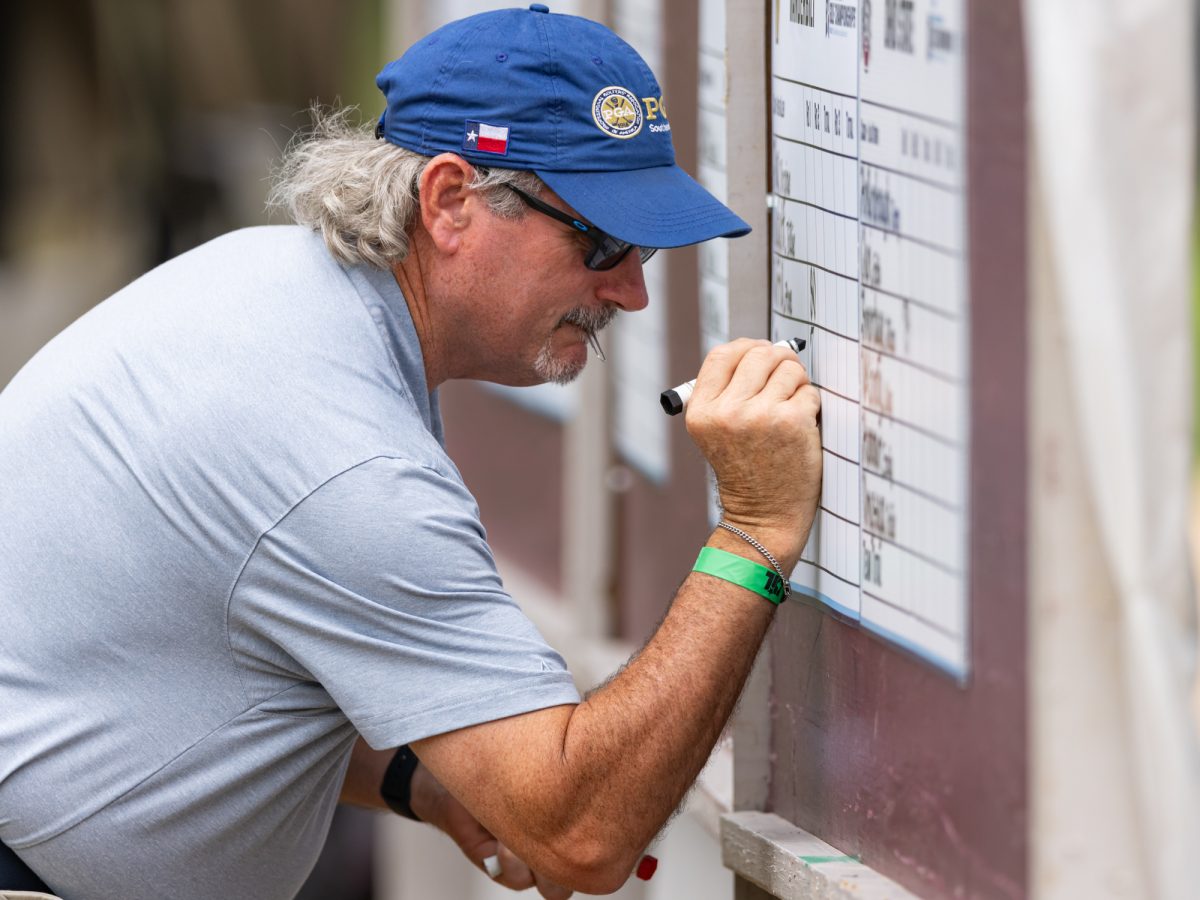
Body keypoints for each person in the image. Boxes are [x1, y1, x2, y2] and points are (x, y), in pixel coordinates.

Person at [0, 5, 822, 899]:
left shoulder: (277, 286)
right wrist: (755, 530)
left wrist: (418, 781)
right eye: (602, 242)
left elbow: (202, 669)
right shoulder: (344, 458)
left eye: (645, 254)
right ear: (449, 201)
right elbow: (581, 837)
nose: (629, 292)